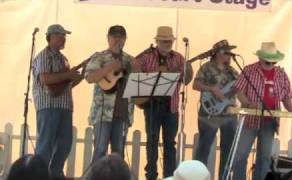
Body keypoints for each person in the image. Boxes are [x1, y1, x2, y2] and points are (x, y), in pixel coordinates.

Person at [232, 42, 292, 180]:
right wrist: (248, 104)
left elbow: (286, 98)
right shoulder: (249, 70)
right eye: (267, 61)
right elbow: (239, 91)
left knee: (265, 157)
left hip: (270, 121)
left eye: (272, 61)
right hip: (250, 119)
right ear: (260, 58)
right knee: (240, 155)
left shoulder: (281, 74)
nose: (270, 63)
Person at [135, 26, 193, 180]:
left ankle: (169, 176)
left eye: (169, 41)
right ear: (157, 41)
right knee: (152, 141)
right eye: (164, 41)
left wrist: (188, 68)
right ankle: (151, 175)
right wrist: (152, 76)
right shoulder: (146, 57)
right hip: (152, 106)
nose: (168, 44)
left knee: (169, 144)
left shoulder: (179, 58)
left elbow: (186, 80)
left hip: (171, 107)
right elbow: (134, 73)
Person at [32, 24, 83, 180]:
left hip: (65, 106)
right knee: (45, 144)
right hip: (48, 106)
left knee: (65, 143)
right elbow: (45, 78)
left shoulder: (63, 59)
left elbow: (64, 84)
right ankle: (39, 175)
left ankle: (55, 173)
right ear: (52, 37)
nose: (64, 38)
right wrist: (68, 74)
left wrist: (79, 76)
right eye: (61, 35)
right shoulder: (44, 56)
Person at [85, 25, 136, 163]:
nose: (117, 40)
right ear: (108, 38)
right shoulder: (99, 57)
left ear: (125, 39)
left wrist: (137, 68)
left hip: (123, 112)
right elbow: (89, 77)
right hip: (103, 113)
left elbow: (138, 82)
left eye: (120, 37)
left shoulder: (130, 60)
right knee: (100, 150)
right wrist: (109, 67)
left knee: (118, 153)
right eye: (114, 36)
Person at [193, 39, 238, 180]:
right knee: (204, 148)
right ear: (218, 53)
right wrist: (212, 89)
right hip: (209, 113)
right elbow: (195, 84)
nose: (230, 55)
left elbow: (240, 89)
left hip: (229, 114)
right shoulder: (206, 67)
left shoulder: (233, 71)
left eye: (231, 53)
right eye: (227, 52)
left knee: (228, 149)